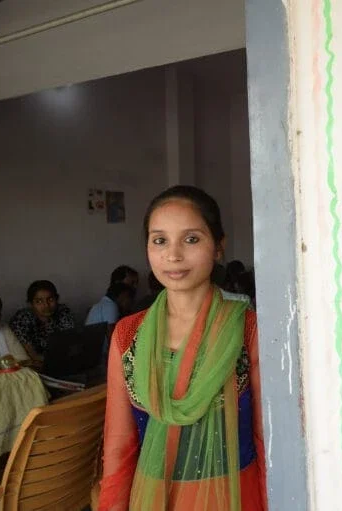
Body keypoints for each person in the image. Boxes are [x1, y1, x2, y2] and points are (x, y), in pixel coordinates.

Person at [99, 185, 266, 511]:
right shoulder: (128, 335)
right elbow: (119, 446)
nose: (173, 255)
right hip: (155, 499)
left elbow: (265, 437)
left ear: (219, 246)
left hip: (235, 496)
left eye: (191, 239)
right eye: (160, 240)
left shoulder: (248, 330)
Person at [9, 280, 75, 361]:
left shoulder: (63, 312)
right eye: (39, 301)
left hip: (63, 360)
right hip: (34, 365)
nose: (46, 305)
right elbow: (33, 355)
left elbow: (69, 344)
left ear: (57, 299)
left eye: (50, 299)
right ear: (31, 304)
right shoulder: (21, 319)